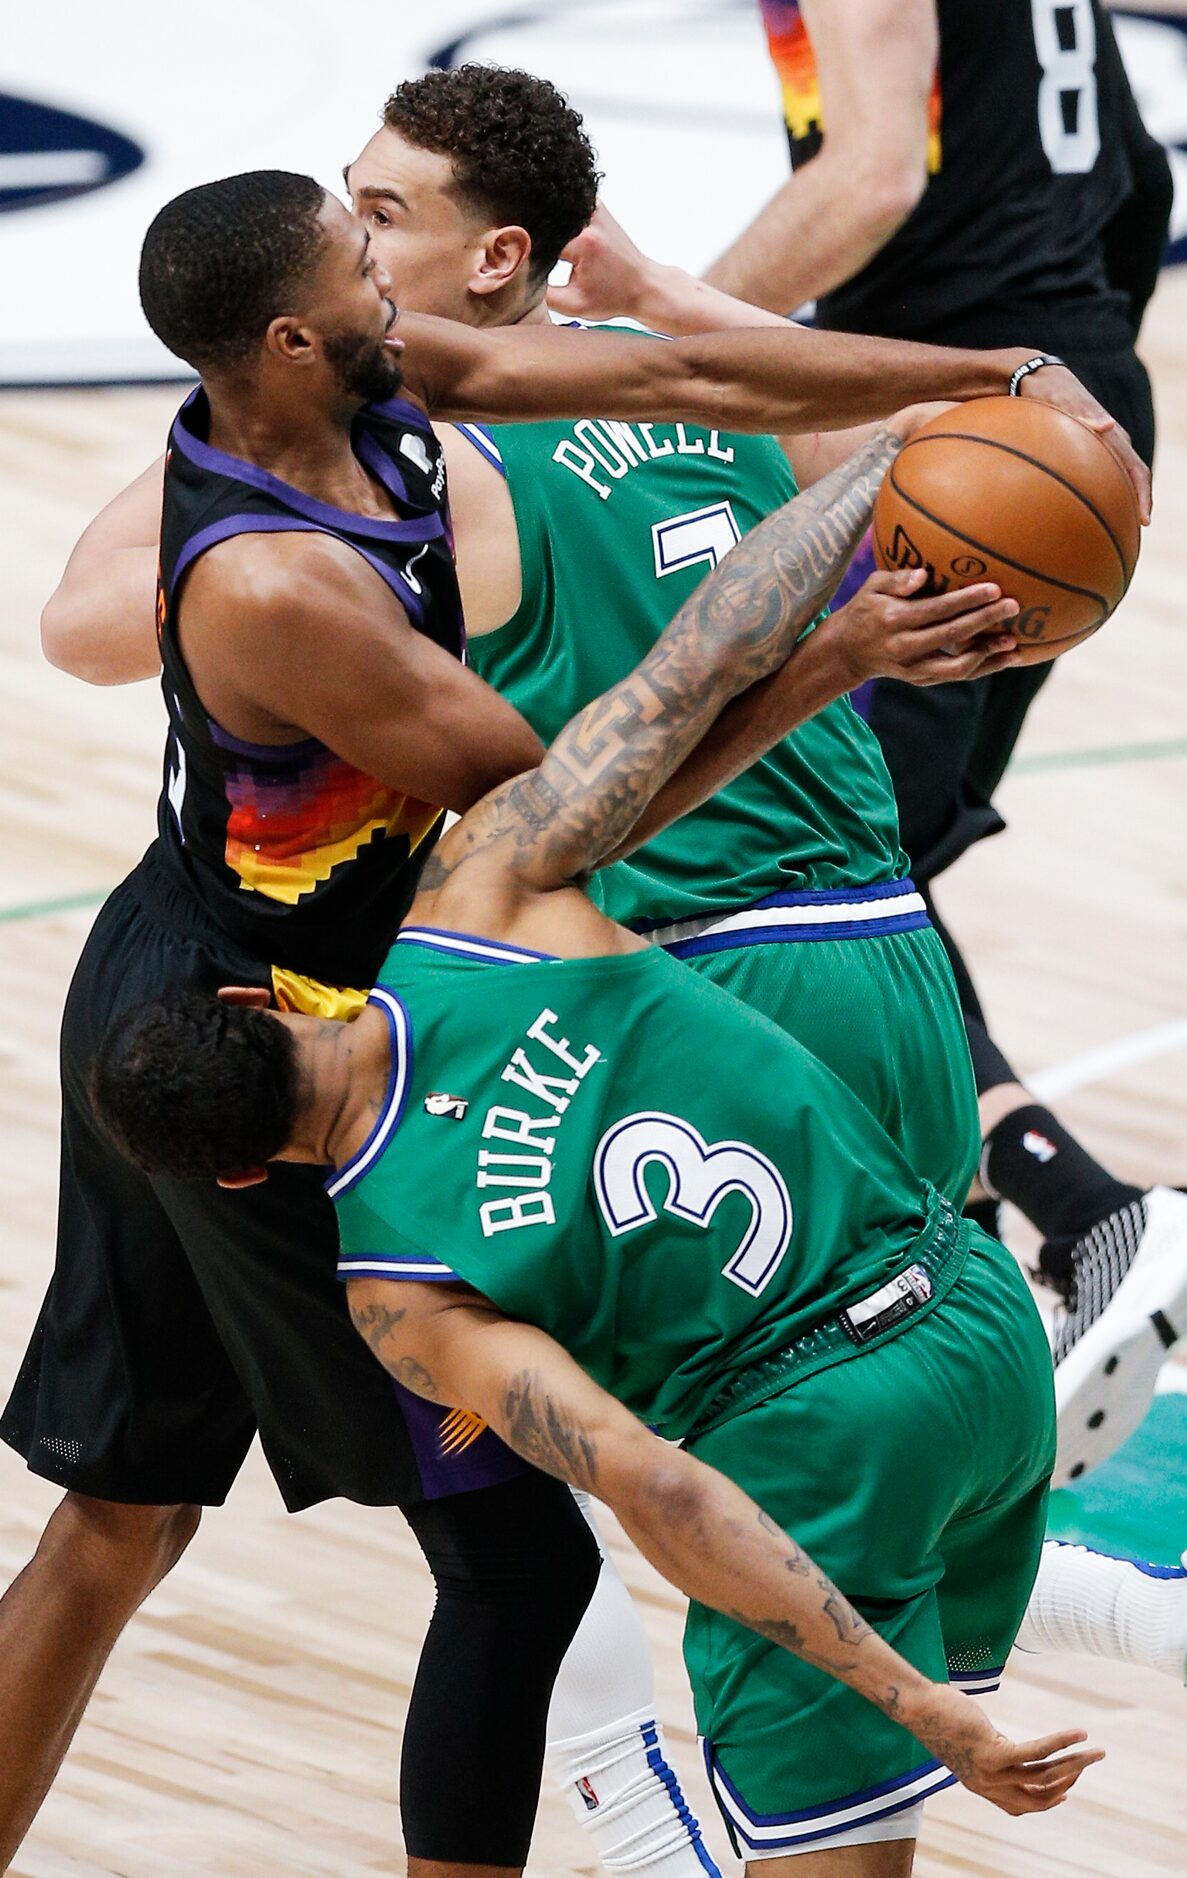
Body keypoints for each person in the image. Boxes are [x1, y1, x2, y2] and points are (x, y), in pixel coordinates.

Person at [35, 75, 1182, 1878]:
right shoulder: (280, 571)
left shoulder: (426, 400)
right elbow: (615, 733)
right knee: (548, 1508)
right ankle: (1027, 1611)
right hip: (550, 950)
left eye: (383, 219)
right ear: (292, 334)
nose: (376, 266)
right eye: (355, 241)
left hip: (488, 969)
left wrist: (931, 419)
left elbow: (619, 685)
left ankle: (810, 1729)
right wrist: (947, 418)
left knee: (595, 1467)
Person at [691, 0, 1181, 1464]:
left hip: (961, 428)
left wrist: (636, 346)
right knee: (859, 852)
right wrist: (1088, 373)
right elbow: (1138, 182)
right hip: (1042, 397)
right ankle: (967, 1295)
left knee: (787, 857)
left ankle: (1091, 1212)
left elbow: (871, 181)